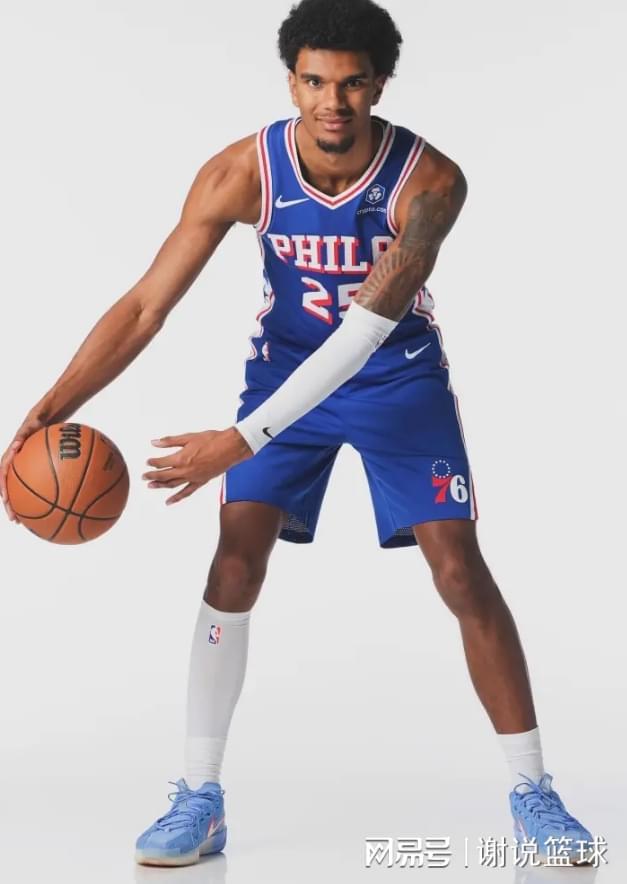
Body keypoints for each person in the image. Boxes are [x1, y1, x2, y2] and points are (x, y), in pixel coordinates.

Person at [0, 0, 594, 869]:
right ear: (290, 82)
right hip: (284, 374)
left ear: (379, 85)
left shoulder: (430, 182)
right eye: (315, 81)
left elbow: (366, 329)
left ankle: (533, 792)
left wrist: (240, 440)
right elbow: (146, 305)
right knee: (234, 562)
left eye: (351, 84)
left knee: (459, 571)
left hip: (394, 378)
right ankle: (199, 796)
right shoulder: (241, 171)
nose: (332, 101)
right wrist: (51, 405)